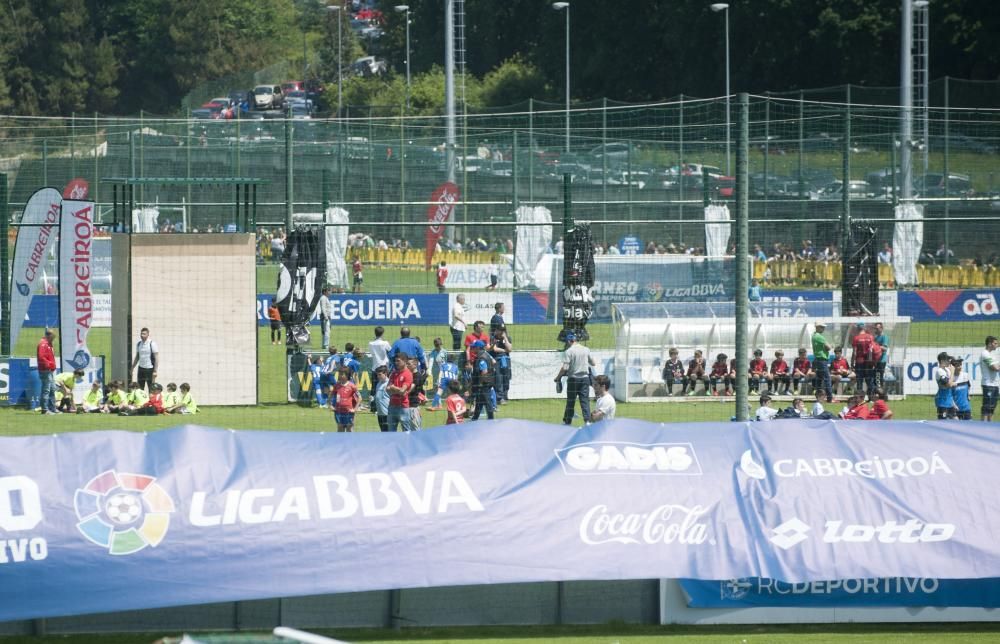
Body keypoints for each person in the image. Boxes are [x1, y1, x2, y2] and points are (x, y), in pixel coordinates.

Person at [554, 333, 595, 425]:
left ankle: (567, 422)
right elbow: (593, 363)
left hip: (573, 379)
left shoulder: (569, 352)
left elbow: (565, 367)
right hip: (585, 379)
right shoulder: (586, 349)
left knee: (571, 401)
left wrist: (558, 377)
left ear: (569, 341)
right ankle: (588, 422)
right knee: (585, 401)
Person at [386, 353, 413, 432]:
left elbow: (402, 391)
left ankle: (407, 444)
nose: (396, 363)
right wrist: (397, 390)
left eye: (398, 361)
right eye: (395, 361)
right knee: (391, 432)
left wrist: (393, 388)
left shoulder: (408, 374)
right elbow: (387, 388)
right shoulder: (394, 373)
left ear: (404, 361)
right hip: (392, 405)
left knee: (406, 432)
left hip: (403, 407)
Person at [470, 341, 496, 421]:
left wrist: (480, 383)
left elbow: (484, 372)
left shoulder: (481, 358)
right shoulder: (486, 354)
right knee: (479, 403)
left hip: (483, 384)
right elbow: (494, 362)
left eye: (474, 347)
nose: (472, 348)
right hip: (486, 383)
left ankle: (491, 420)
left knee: (487, 402)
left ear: (478, 348)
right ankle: (475, 418)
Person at [850, 322, 877, 399]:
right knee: (869, 381)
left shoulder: (856, 338)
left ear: (858, 328)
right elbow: (872, 350)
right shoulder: (870, 337)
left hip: (859, 362)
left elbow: (854, 353)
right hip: (869, 362)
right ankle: (871, 397)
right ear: (864, 328)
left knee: (859, 381)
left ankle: (860, 399)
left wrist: (852, 364)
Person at [37, 329, 59, 414]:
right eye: (52, 337)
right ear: (49, 335)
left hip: (49, 370)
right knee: (46, 390)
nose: (53, 339)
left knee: (52, 389)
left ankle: (52, 408)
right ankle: (45, 410)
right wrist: (49, 364)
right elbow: (41, 357)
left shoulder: (49, 343)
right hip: (45, 370)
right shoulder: (43, 344)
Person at [130, 327, 159, 392]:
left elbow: (156, 358)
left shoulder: (152, 343)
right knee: (140, 388)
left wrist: (155, 371)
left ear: (148, 334)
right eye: (141, 334)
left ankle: (151, 401)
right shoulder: (139, 344)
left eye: (144, 334)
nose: (142, 335)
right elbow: (137, 357)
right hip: (141, 369)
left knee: (151, 388)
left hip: (150, 369)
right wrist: (132, 367)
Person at [812, 322, 833, 402]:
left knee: (819, 380)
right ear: (817, 327)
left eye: (823, 327)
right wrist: (830, 346)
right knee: (827, 379)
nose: (823, 328)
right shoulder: (820, 337)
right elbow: (828, 347)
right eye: (822, 327)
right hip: (822, 360)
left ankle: (819, 398)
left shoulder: (814, 336)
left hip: (817, 359)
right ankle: (830, 398)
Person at [980, 336, 1000, 421]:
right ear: (989, 344)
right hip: (988, 384)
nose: (997, 345)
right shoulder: (985, 354)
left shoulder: (992, 353)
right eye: (995, 343)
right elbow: (995, 368)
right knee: (986, 406)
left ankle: (990, 424)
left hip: (995, 384)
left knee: (992, 407)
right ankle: (982, 425)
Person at [491, 326, 512, 403]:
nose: (501, 332)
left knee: (506, 378)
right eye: (500, 330)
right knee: (498, 378)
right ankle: (499, 397)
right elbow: (495, 349)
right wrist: (504, 350)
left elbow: (509, 349)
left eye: (503, 330)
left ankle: (505, 396)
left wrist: (505, 338)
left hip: (506, 359)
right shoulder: (493, 338)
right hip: (497, 359)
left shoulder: (507, 338)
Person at [933, 352, 956, 420]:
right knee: (943, 423)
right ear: (942, 361)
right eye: (947, 359)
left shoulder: (947, 370)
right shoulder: (939, 371)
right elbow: (949, 384)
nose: (949, 361)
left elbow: (951, 383)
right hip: (942, 403)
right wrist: (952, 372)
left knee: (956, 421)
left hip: (950, 402)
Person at [407, 356, 427, 431]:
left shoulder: (417, 376)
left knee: (416, 430)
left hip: (413, 407)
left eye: (409, 364)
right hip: (407, 406)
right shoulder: (409, 375)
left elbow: (409, 390)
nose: (407, 365)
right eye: (406, 364)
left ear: (415, 364)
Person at [873, 321, 890, 390]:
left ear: (881, 328)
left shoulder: (884, 337)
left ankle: (881, 392)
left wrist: (876, 346)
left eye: (877, 328)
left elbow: (885, 348)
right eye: (875, 328)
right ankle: (876, 392)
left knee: (879, 377)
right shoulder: (876, 338)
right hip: (876, 361)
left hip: (881, 360)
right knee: (875, 377)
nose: (876, 330)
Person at [372, 366, 390, 431]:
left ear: (385, 374)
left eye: (380, 374)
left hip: (387, 413)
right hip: (380, 413)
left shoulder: (389, 384)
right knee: (383, 431)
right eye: (377, 375)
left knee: (389, 432)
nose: (378, 376)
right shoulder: (378, 384)